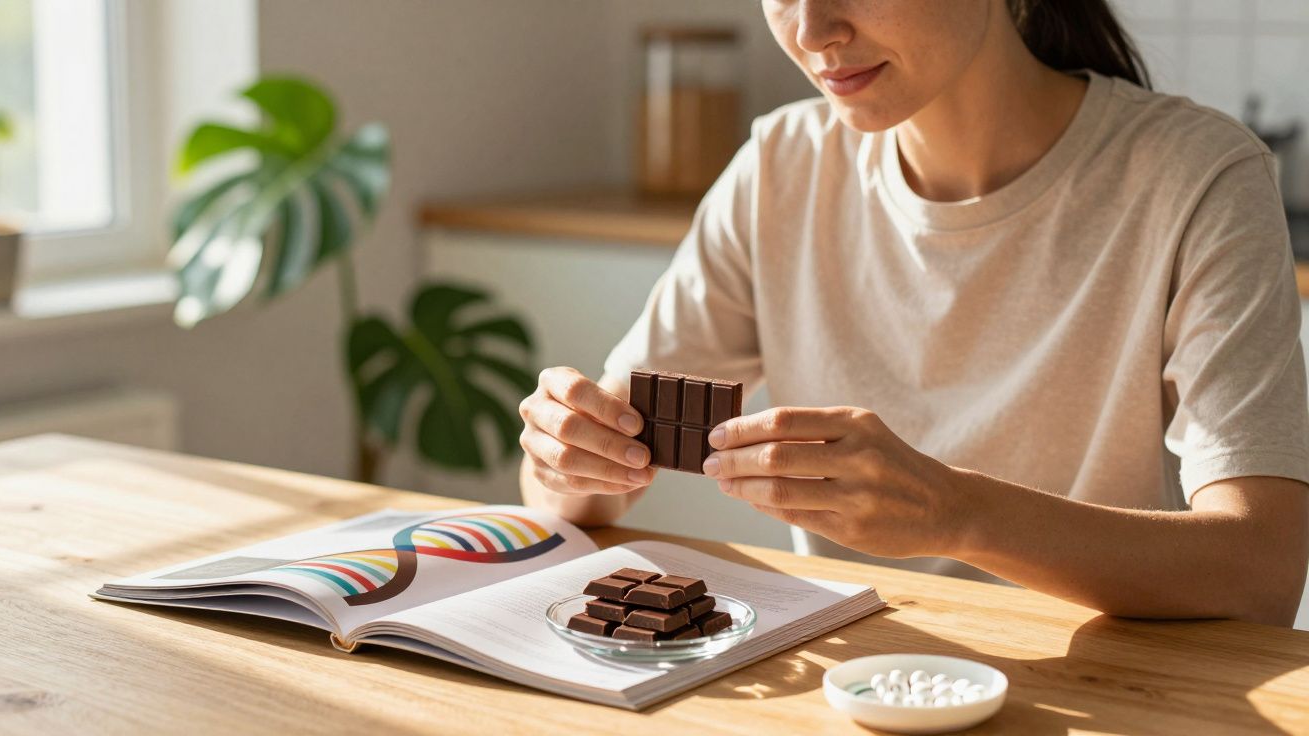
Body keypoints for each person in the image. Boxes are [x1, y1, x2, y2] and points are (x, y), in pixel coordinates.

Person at [519, 0, 1309, 626]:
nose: (811, 30)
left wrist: (955, 513)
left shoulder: (1199, 179)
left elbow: (1262, 568)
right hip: (853, 688)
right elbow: (584, 488)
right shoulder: (779, 168)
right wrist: (566, 459)